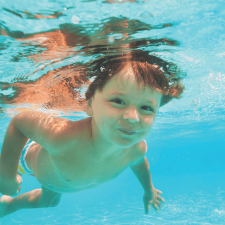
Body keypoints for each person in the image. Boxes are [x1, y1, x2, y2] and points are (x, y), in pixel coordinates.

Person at [0, 51, 185, 218]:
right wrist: (6, 176)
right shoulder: (62, 136)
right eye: (118, 101)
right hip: (24, 157)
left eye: (146, 107)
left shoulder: (136, 148)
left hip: (53, 180)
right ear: (89, 104)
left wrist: (149, 191)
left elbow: (140, 164)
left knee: (50, 202)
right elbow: (19, 122)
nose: (132, 118)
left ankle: (10, 205)